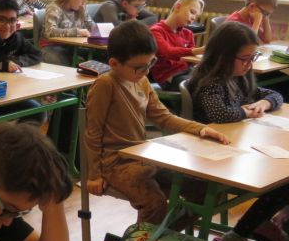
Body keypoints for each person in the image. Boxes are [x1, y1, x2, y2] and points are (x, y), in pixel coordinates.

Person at [84, 20, 229, 225]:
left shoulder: (142, 81)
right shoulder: (105, 84)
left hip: (142, 156)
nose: (146, 72)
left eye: (150, 63)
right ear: (114, 64)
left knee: (204, 191)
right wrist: (94, 175)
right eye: (139, 67)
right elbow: (93, 132)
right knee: (155, 205)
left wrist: (201, 129)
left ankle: (162, 237)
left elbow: (164, 117)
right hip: (115, 163)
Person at [188, 22, 289, 241]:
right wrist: (245, 112)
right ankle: (246, 229)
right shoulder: (210, 82)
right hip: (213, 155)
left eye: (253, 57)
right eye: (245, 59)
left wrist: (264, 104)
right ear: (223, 56)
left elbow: (274, 95)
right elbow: (219, 115)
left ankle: (257, 221)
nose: (250, 64)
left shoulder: (239, 78)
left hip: (238, 146)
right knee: (288, 176)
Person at [149, 0, 205, 90]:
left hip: (186, 72)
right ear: (178, 7)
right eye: (192, 12)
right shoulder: (156, 31)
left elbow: (191, 60)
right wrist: (198, 50)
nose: (193, 18)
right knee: (196, 85)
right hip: (168, 77)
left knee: (209, 80)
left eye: (196, 16)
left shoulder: (188, 34)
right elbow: (168, 52)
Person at [40, 0, 96, 65]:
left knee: (99, 56)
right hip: (52, 47)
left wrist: (97, 28)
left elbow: (92, 27)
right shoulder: (54, 8)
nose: (84, 3)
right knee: (63, 62)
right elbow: (49, 32)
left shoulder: (81, 9)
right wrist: (78, 32)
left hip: (72, 47)